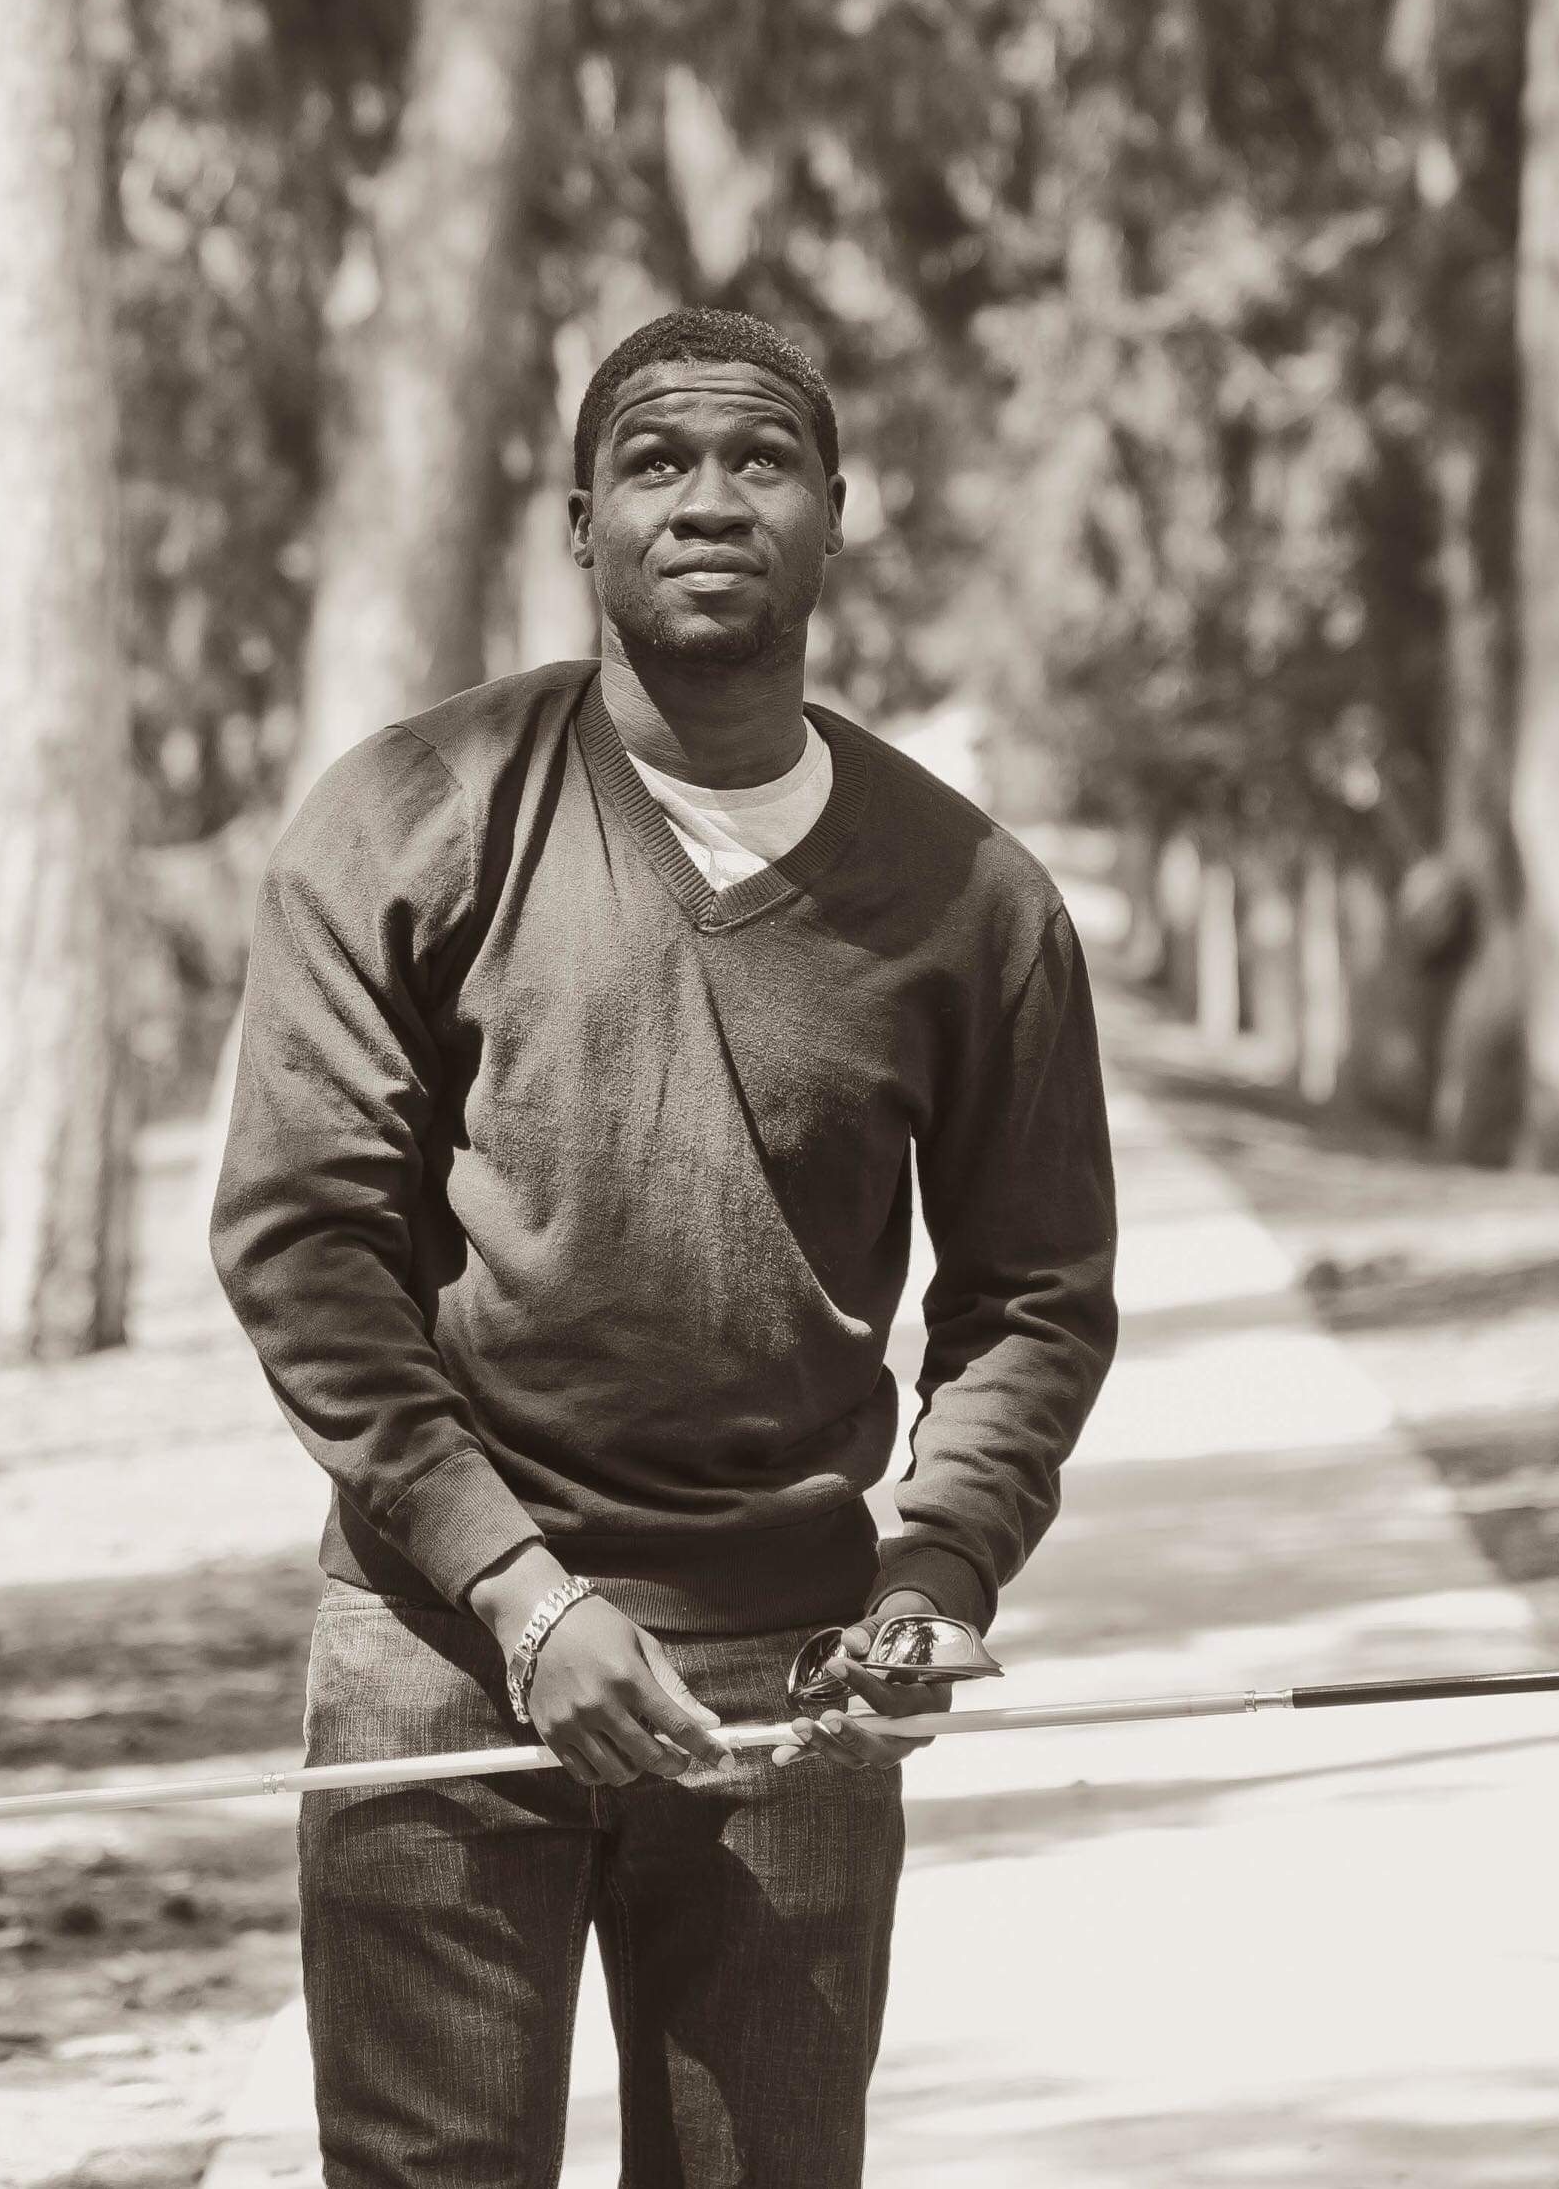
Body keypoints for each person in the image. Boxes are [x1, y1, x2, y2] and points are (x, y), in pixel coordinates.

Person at [210, 304, 1121, 2188]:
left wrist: (938, 1567)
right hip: (442, 1654)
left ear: (837, 513)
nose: (710, 499)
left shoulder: (976, 900)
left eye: (761, 458)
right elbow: (307, 1247)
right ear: (580, 521)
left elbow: (1032, 1298)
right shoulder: (413, 818)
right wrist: (521, 1597)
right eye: (658, 460)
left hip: (794, 1677)